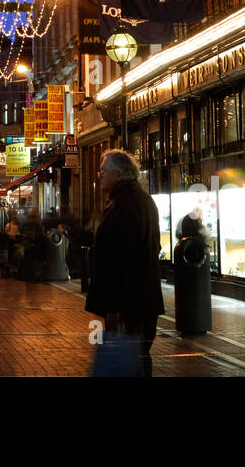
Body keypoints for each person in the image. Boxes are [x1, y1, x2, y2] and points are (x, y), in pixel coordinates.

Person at [86, 151, 165, 376]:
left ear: (120, 174)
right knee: (137, 357)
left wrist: (114, 307)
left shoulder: (124, 206)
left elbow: (122, 260)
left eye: (104, 171)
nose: (100, 176)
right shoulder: (142, 201)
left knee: (130, 359)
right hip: (142, 298)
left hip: (130, 302)